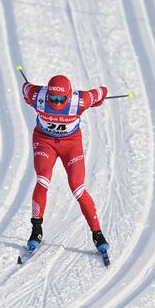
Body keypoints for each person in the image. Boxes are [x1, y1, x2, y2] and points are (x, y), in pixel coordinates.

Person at [22, 74, 109, 253]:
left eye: (61, 99)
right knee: (42, 179)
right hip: (44, 141)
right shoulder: (37, 96)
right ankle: (36, 229)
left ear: (68, 96)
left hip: (71, 145)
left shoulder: (81, 100)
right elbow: (25, 88)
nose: (56, 102)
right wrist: (27, 97)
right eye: (52, 97)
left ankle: (97, 234)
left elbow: (102, 92)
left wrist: (98, 100)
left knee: (77, 188)